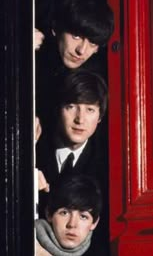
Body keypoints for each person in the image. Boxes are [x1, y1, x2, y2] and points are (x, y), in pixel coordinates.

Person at [36, 71, 109, 245]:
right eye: (71, 106)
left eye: (90, 109)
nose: (80, 119)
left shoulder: (104, 164)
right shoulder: (34, 146)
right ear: (58, 109)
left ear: (100, 117)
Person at [36, 0, 114, 124]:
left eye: (93, 43)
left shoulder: (93, 81)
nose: (81, 50)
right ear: (56, 28)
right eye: (76, 36)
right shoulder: (33, 54)